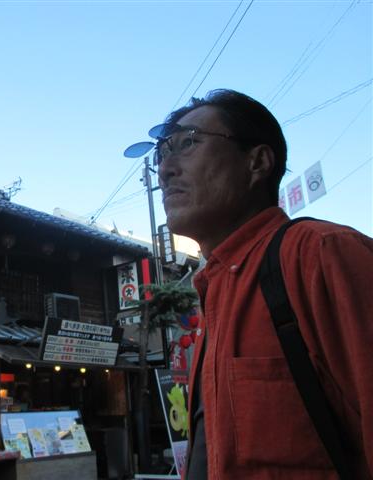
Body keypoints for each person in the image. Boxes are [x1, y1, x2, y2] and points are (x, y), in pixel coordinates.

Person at [155, 89, 373, 479]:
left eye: (188, 143)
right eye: (162, 153)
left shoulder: (320, 255)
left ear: (257, 162)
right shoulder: (213, 296)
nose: (165, 169)